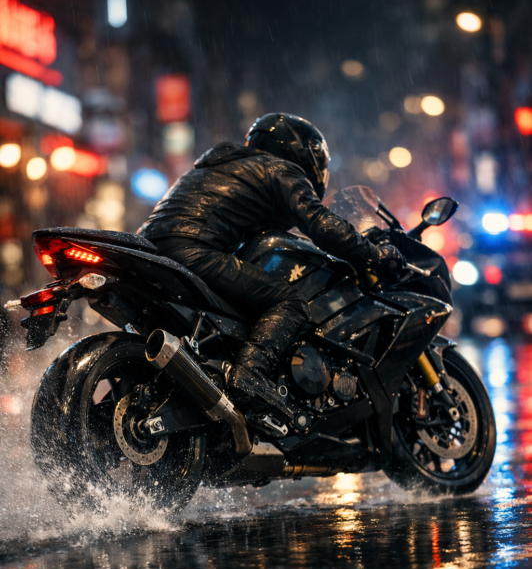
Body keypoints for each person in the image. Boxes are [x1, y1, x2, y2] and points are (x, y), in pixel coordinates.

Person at [137, 113, 406, 419]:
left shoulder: (216, 166)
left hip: (150, 250)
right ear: (303, 152)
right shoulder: (280, 169)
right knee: (289, 301)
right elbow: (321, 223)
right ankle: (250, 376)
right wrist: (375, 254)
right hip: (192, 250)